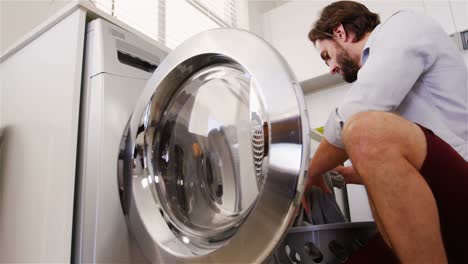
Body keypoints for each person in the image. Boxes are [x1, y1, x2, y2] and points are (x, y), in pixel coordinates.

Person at [304, 1, 468, 263]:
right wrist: (348, 174)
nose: (331, 68)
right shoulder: (386, 82)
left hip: (460, 184)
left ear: (340, 33)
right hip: (437, 194)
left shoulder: (403, 26)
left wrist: (309, 173)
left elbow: (355, 114)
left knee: (363, 129)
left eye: (326, 56)